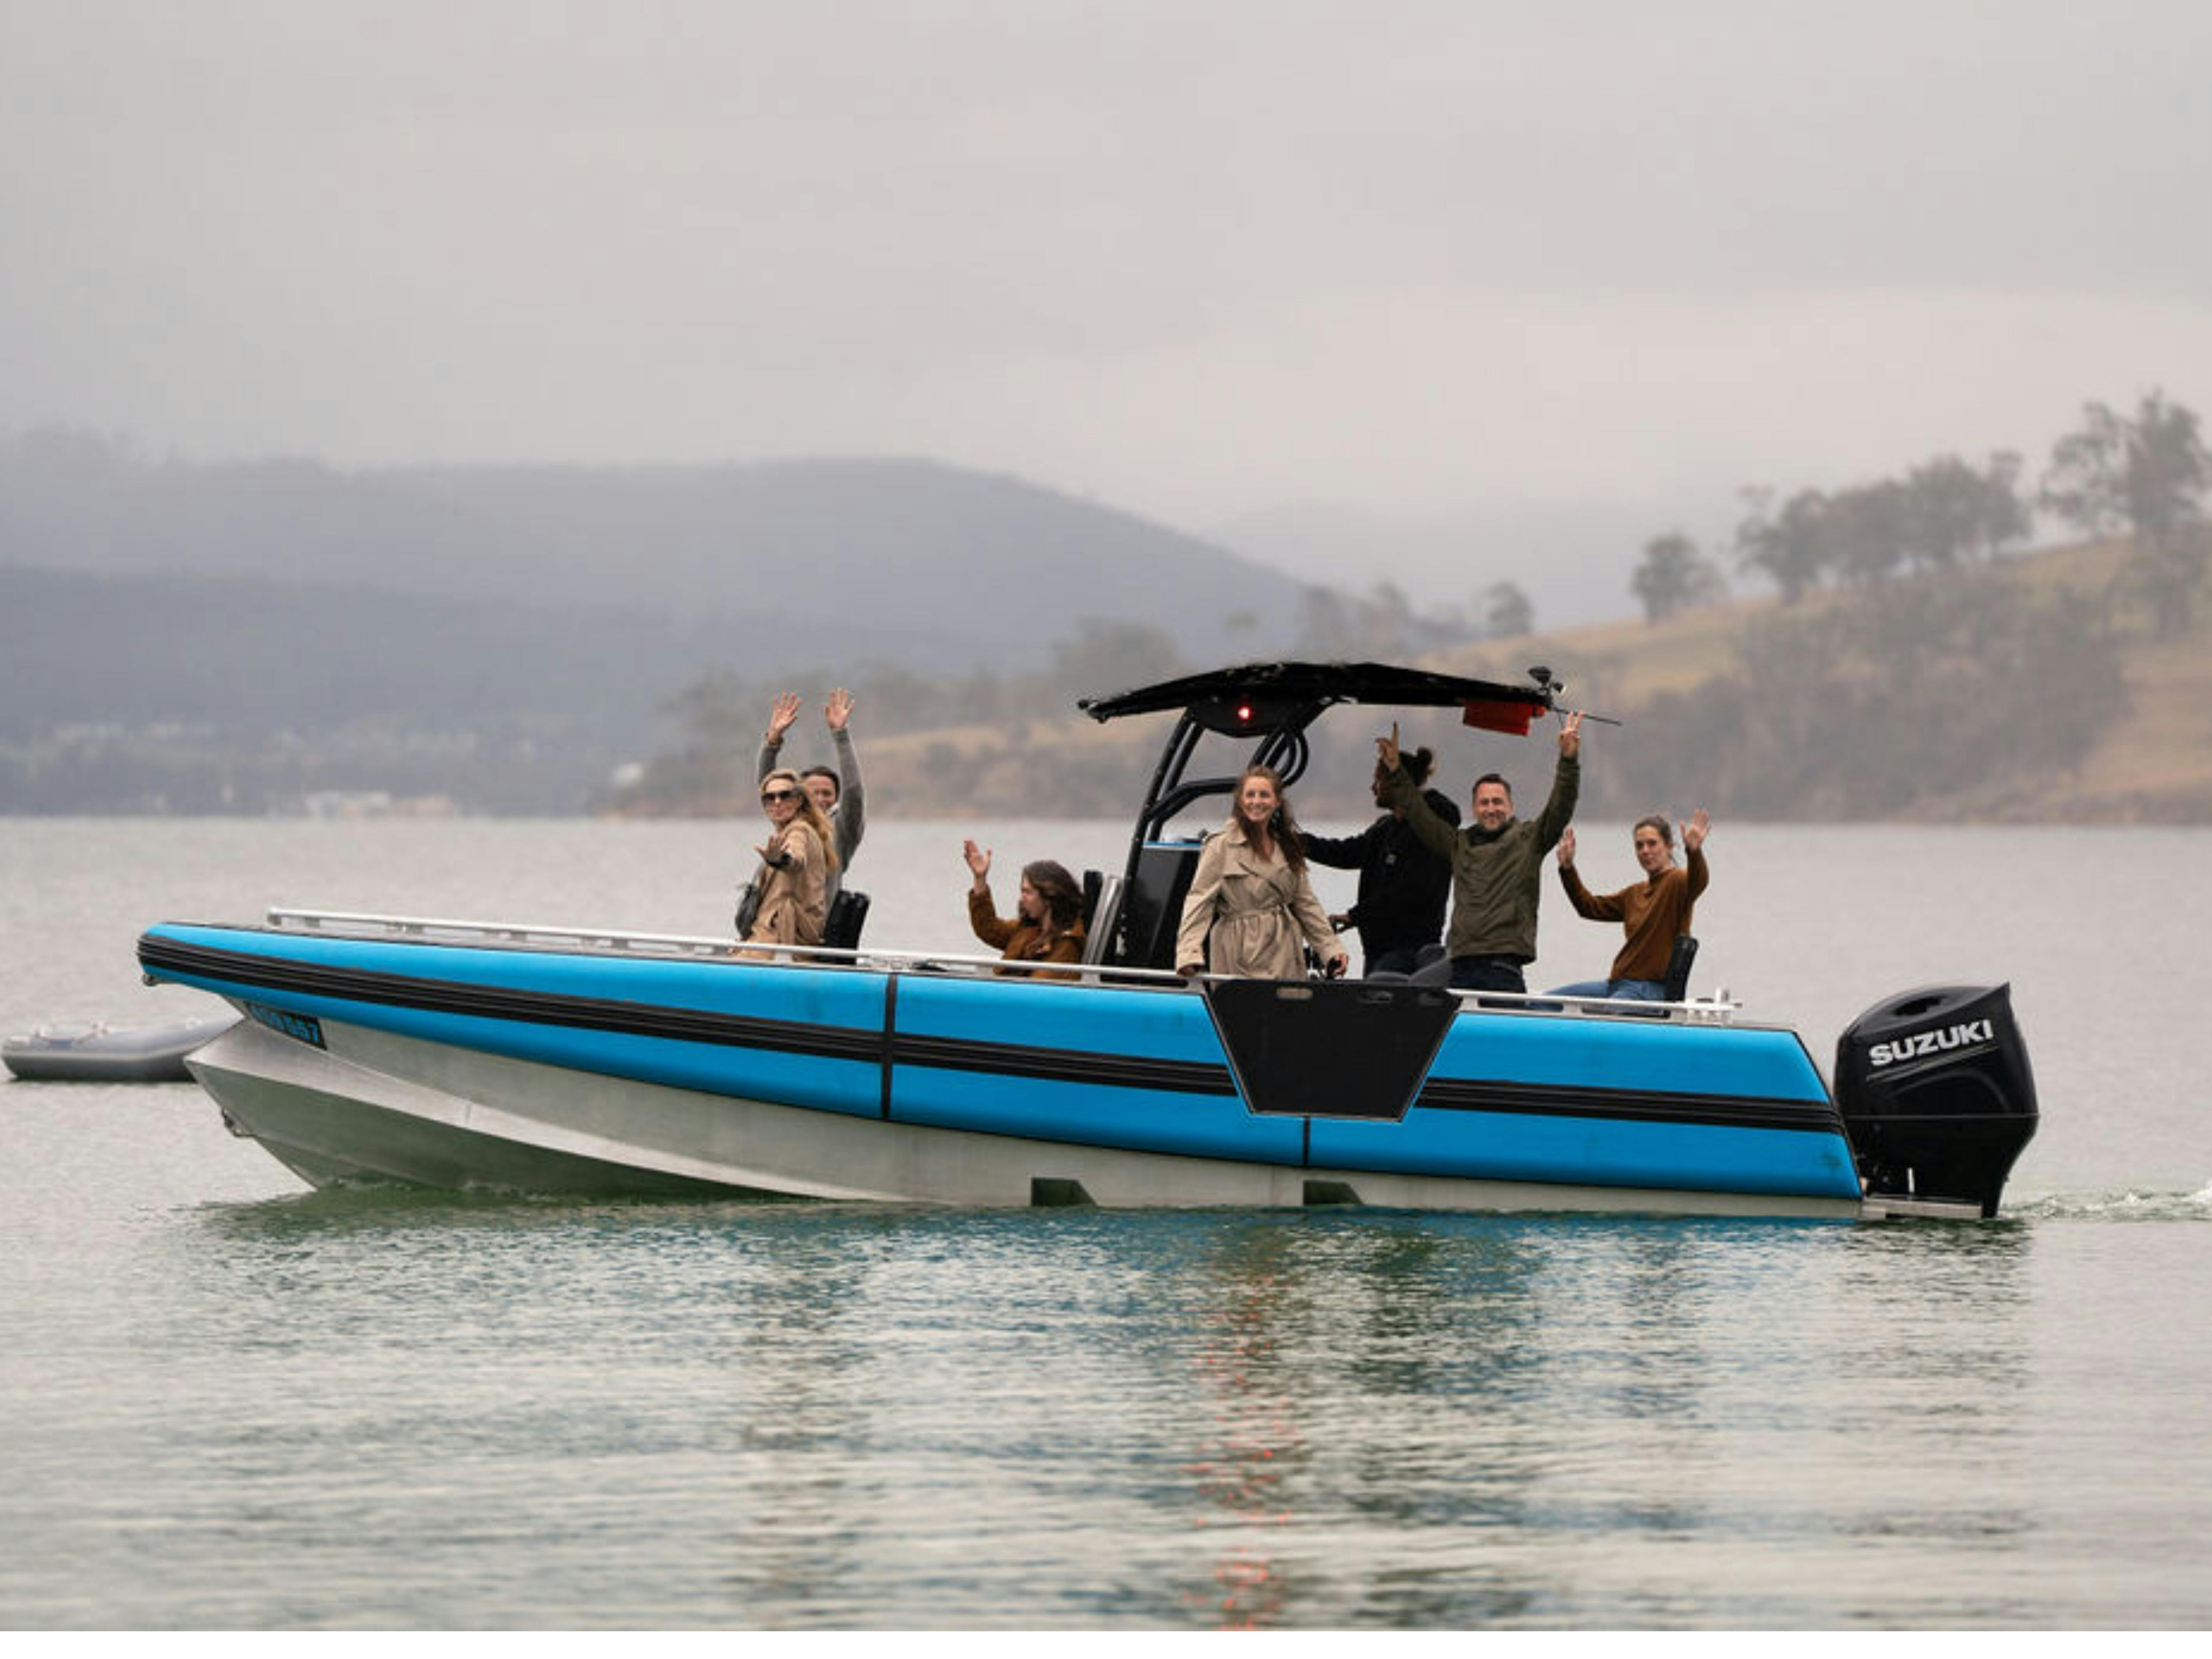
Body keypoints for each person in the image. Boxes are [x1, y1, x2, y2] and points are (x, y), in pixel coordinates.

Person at [1377, 712, 1582, 995]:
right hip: (1461, 968)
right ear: (1474, 809)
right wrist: (1396, 771)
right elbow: (1419, 814)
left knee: (1506, 1039)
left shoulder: (1529, 839)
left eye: (1498, 802)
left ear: (1510, 806)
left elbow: (1561, 807)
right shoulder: (1459, 844)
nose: (1491, 808)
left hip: (1503, 970)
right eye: (1484, 803)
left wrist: (1569, 760)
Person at [1174, 764, 1349, 982]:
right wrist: (1188, 954)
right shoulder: (1221, 846)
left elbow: (1305, 903)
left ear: (1277, 802)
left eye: (1264, 795)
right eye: (1250, 795)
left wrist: (1330, 949)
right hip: (1239, 952)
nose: (1257, 802)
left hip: (1284, 951)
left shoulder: (1288, 845)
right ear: (1240, 801)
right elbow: (1200, 901)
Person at [1302, 743, 1459, 975]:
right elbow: (1346, 853)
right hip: (1378, 948)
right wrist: (1296, 842)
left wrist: (1356, 915)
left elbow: (1412, 890)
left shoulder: (1433, 829)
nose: (1373, 787)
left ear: (1398, 783)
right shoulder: (1385, 829)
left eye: (1378, 780)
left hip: (1410, 951)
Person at [1549, 810, 1710, 1001]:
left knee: (1608, 1015)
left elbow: (1698, 881)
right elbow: (1588, 907)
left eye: (1652, 844)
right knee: (1545, 1003)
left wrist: (1694, 852)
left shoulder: (1677, 882)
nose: (1645, 851)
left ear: (1669, 847)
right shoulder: (1634, 894)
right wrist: (1568, 869)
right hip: (1617, 985)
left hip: (1651, 989)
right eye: (1639, 846)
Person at [757, 688, 866, 876]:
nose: (820, 799)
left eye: (827, 793)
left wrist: (841, 736)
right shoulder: (790, 822)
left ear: (838, 799)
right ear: (799, 798)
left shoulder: (842, 830)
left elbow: (854, 792)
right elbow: (770, 787)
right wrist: (773, 742)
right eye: (813, 793)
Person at [738, 768, 838, 948]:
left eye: (785, 796)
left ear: (799, 800)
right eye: (770, 797)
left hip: (783, 939)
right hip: (772, 937)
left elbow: (796, 859)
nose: (777, 802)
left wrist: (782, 860)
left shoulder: (799, 830)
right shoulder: (793, 831)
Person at [963, 841, 1086, 977]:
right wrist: (980, 879)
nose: (1022, 899)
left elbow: (1040, 988)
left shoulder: (1068, 943)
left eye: (1028, 892)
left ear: (1049, 895)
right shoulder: (1028, 929)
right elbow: (988, 929)